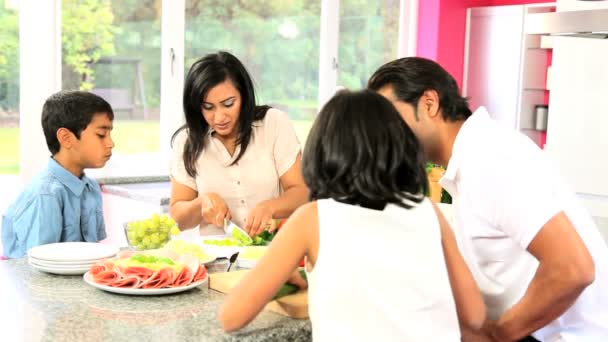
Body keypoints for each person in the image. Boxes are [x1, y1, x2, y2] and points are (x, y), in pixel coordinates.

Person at [368, 57, 608, 341]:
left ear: (429, 103)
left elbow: (573, 269)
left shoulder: (489, 158)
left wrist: (502, 334)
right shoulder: (472, 159)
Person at [218, 90, 486, 340]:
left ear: (322, 153)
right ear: (400, 148)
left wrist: (273, 281)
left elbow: (231, 317)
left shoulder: (312, 218)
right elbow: (475, 314)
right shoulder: (428, 211)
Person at [169, 51, 308, 236]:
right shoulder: (187, 141)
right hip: (216, 259)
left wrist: (270, 208)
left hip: (273, 251)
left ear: (243, 95)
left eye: (228, 104)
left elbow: (302, 193)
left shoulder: (273, 124)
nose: (219, 117)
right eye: (208, 107)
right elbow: (177, 219)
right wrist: (201, 204)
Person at [1, 91, 114, 258]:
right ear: (66, 138)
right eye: (101, 135)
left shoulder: (91, 188)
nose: (111, 143)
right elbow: (39, 266)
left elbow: (93, 251)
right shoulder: (46, 194)